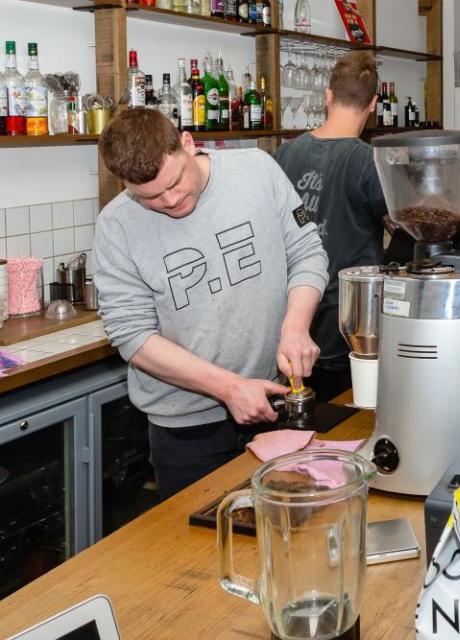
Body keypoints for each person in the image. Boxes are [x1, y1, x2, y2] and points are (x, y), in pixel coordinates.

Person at [93, 108, 329, 499]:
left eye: (175, 182)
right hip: (186, 431)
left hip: (277, 402)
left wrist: (295, 327)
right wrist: (229, 388)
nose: (171, 200)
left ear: (188, 143)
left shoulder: (257, 170)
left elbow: (306, 251)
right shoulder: (116, 226)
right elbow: (132, 336)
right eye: (150, 197)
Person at [273, 51, 397, 401]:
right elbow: (401, 227)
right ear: (373, 103)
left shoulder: (286, 153)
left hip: (293, 319)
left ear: (327, 95)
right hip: (350, 322)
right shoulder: (370, 162)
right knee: (349, 426)